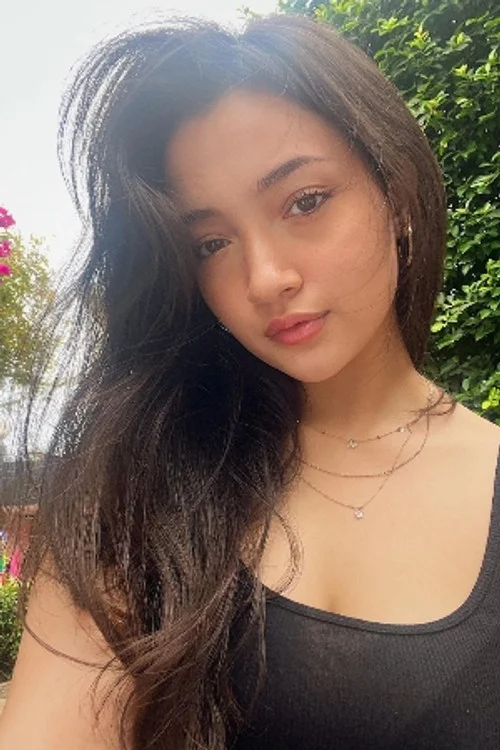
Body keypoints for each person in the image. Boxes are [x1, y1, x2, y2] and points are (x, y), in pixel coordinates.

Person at [0, 13, 499, 750]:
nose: (265, 278)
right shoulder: (137, 487)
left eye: (305, 201)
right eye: (211, 242)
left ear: (396, 195)